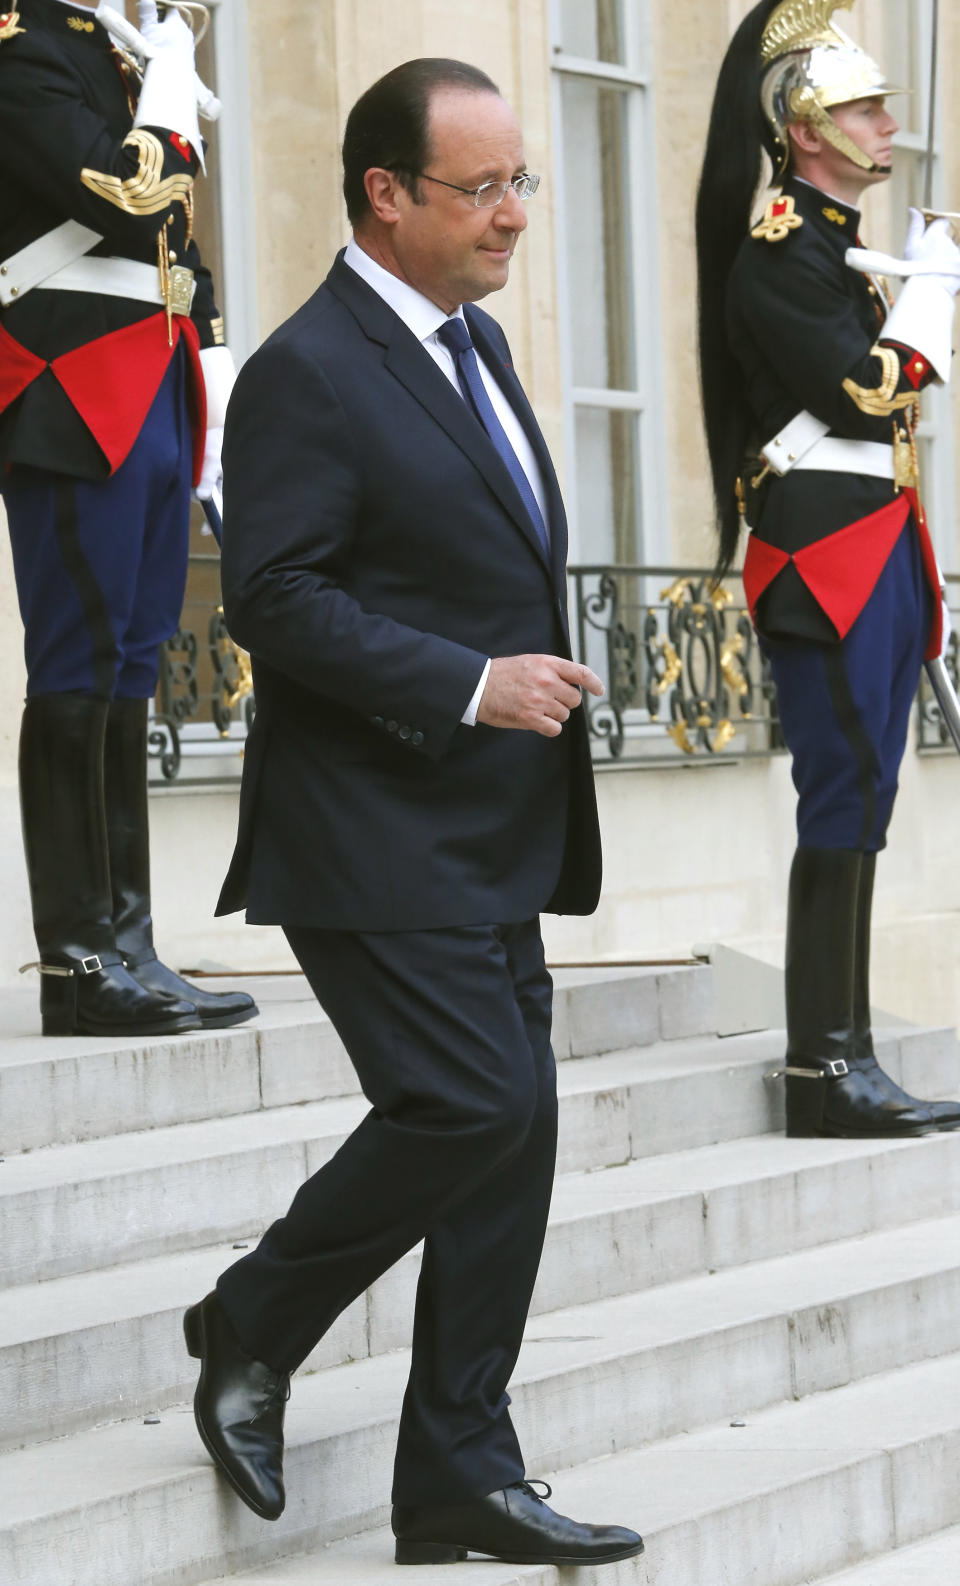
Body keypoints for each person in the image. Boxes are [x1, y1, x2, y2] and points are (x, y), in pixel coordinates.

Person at [182, 57, 644, 1570]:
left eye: (524, 181)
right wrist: (470, 682)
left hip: (489, 826)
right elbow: (275, 596)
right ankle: (254, 1315)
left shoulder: (478, 348)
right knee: (471, 1103)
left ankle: (460, 1458)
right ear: (385, 195)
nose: (517, 212)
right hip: (369, 824)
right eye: (486, 185)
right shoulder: (308, 368)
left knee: (515, 1135)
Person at [696, 0, 960, 1139]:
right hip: (824, 553)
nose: (888, 121)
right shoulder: (780, 254)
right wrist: (931, 301)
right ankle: (824, 1063)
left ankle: (841, 1052)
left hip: (878, 540)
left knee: (868, 799)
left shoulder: (837, 253)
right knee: (842, 795)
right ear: (805, 125)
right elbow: (865, 391)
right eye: (862, 105)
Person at [0, 0, 256, 1036]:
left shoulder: (118, 53)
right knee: (79, 663)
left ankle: (132, 943)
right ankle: (78, 957)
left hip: (151, 377)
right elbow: (129, 193)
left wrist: (216, 363)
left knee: (132, 665)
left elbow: (179, 241)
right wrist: (166, 87)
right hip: (68, 383)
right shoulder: (24, 52)